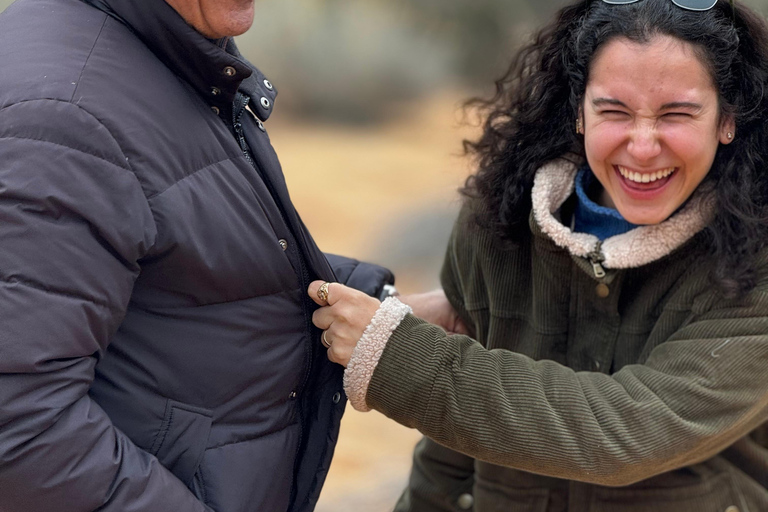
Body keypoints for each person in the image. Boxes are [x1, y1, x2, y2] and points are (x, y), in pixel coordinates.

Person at [308, 0, 768, 509]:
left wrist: (399, 357)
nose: (642, 146)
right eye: (613, 110)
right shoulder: (499, 219)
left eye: (676, 114)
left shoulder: (760, 260)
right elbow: (452, 452)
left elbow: (631, 431)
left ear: (728, 118)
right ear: (578, 111)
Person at [0, 1, 400, 511]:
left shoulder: (158, 49)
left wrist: (382, 307)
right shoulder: (65, 114)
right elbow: (19, 426)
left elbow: (184, 263)